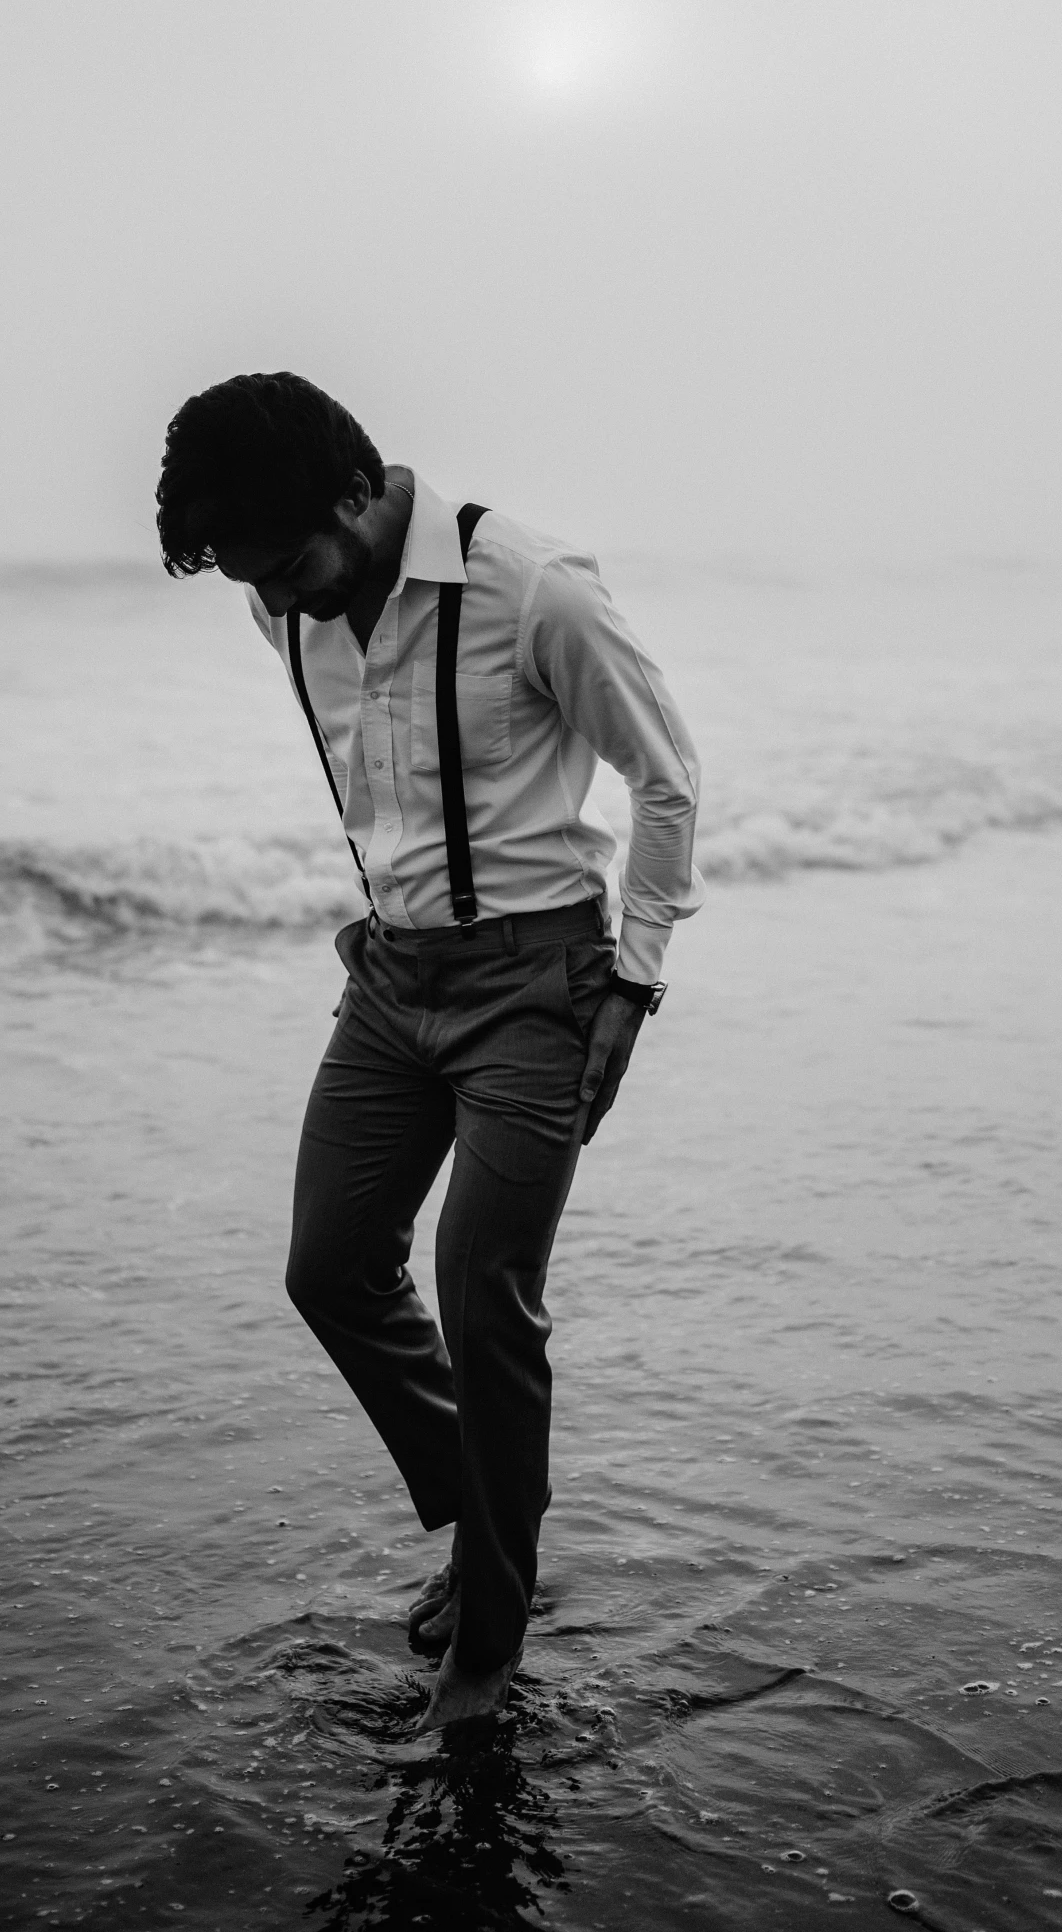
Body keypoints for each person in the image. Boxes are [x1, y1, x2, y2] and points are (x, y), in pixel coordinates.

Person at [156, 372, 703, 1729]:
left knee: (483, 1292)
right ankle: (489, 1507)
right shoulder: (277, 598)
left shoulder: (536, 589)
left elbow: (669, 777)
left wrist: (630, 984)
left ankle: (488, 1648)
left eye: (291, 567)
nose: (279, 603)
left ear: (360, 495)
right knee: (329, 1266)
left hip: (542, 983)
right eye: (252, 581)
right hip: (394, 981)